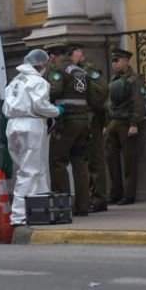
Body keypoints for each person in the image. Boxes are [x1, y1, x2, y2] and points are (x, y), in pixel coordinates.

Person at [3, 49, 63, 226]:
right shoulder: (38, 81)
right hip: (31, 125)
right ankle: (19, 216)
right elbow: (40, 106)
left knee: (34, 168)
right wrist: (56, 111)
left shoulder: (15, 81)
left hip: (13, 125)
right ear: (40, 65)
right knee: (30, 171)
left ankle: (40, 209)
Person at [46, 43, 96, 216]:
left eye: (50, 57)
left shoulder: (58, 70)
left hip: (66, 122)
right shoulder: (81, 71)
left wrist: (42, 97)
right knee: (79, 161)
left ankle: (63, 206)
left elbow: (55, 90)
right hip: (83, 121)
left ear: (54, 56)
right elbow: (93, 98)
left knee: (57, 161)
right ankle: (82, 206)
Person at [105, 46, 145, 206]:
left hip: (126, 123)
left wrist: (134, 123)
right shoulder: (114, 80)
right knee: (111, 160)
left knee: (129, 160)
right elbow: (108, 103)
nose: (114, 64)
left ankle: (128, 195)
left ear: (126, 61)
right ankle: (115, 193)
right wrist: (105, 124)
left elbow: (138, 103)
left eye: (117, 61)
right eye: (113, 61)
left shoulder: (134, 80)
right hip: (113, 122)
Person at [78, 52, 110, 213]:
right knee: (86, 160)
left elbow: (103, 89)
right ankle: (91, 197)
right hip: (84, 120)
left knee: (95, 160)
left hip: (93, 119)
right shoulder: (76, 69)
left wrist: (92, 108)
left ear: (80, 53)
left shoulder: (88, 69)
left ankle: (99, 199)